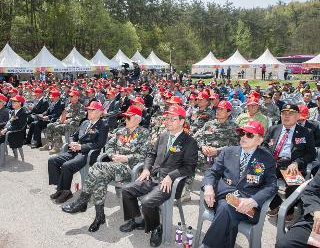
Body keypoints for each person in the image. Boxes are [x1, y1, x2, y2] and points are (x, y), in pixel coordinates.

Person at [61, 105, 150, 232]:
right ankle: (99, 216)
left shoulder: (144, 133)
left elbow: (144, 155)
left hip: (130, 169)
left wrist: (126, 157)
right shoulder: (121, 131)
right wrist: (112, 155)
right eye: (125, 118)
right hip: (113, 166)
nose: (125, 120)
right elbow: (108, 146)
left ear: (137, 119)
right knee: (99, 178)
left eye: (128, 118)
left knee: (97, 167)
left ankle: (82, 200)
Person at [120, 105, 198, 247]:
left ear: (182, 121)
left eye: (172, 119)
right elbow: (151, 154)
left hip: (170, 184)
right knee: (127, 190)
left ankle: (156, 227)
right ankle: (137, 220)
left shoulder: (190, 142)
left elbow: (189, 167)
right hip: (153, 177)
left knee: (146, 202)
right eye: (167, 118)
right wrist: (146, 169)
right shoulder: (163, 136)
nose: (167, 121)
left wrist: (171, 176)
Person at [200, 121, 277, 248]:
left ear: (260, 140)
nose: (243, 137)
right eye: (242, 133)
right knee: (226, 208)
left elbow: (272, 185)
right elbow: (212, 172)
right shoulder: (228, 151)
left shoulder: (266, 158)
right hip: (220, 197)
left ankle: (207, 245)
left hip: (247, 205)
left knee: (225, 209)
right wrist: (208, 187)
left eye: (249, 135)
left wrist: (253, 201)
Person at [48, 101, 109, 204]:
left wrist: (81, 146)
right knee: (52, 160)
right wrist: (72, 142)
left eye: (92, 110)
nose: (88, 112)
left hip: (88, 153)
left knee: (67, 166)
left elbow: (99, 144)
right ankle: (61, 188)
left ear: (99, 112)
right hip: (75, 150)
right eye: (88, 110)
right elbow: (74, 135)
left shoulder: (103, 125)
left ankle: (65, 192)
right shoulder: (85, 122)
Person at [263, 104, 316, 220]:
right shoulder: (274, 129)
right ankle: (276, 204)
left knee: (295, 184)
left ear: (298, 116)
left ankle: (288, 209)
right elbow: (264, 147)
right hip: (273, 162)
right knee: (255, 176)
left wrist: (298, 162)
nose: (286, 116)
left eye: (290, 114)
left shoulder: (305, 132)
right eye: (284, 114)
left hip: (292, 164)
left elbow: (312, 153)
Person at [275, 170, 320, 248]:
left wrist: (297, 163)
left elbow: (309, 159)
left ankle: (286, 212)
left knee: (293, 186)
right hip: (316, 221)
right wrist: (316, 209)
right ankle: (281, 209)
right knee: (284, 245)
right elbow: (310, 191)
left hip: (299, 166)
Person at [41, 90, 85, 154]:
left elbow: (81, 117)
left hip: (74, 125)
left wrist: (69, 120)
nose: (70, 97)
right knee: (50, 125)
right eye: (69, 96)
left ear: (77, 97)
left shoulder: (81, 106)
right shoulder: (69, 105)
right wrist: (60, 120)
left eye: (71, 96)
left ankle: (57, 147)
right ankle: (49, 145)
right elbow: (63, 114)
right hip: (65, 123)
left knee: (57, 127)